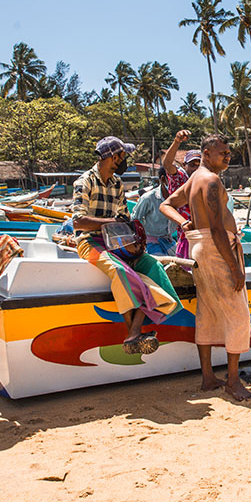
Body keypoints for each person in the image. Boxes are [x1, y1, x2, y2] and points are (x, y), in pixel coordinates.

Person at [160, 134, 251, 401]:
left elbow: (166, 205)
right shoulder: (210, 180)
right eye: (222, 152)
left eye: (228, 152)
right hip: (215, 248)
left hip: (200, 247)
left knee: (208, 311)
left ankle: (208, 377)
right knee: (238, 314)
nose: (227, 156)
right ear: (206, 154)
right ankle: (232, 381)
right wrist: (235, 267)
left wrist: (182, 222)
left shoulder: (194, 179)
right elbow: (217, 229)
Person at [72, 137, 180, 355]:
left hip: (116, 243)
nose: (125, 160)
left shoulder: (117, 184)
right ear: (114, 157)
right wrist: (112, 222)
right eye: (124, 156)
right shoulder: (84, 182)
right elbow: (78, 222)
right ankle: (134, 333)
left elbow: (125, 220)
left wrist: (133, 244)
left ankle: (133, 333)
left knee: (153, 266)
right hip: (89, 242)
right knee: (120, 271)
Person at [162, 130, 203, 258]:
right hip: (187, 236)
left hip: (204, 236)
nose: (195, 168)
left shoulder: (205, 180)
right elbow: (167, 165)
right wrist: (177, 141)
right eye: (192, 165)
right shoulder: (180, 178)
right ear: (185, 165)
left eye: (199, 165)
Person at [130, 166, 178, 255]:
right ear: (163, 179)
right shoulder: (148, 198)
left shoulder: (178, 199)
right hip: (150, 242)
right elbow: (135, 219)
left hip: (168, 241)